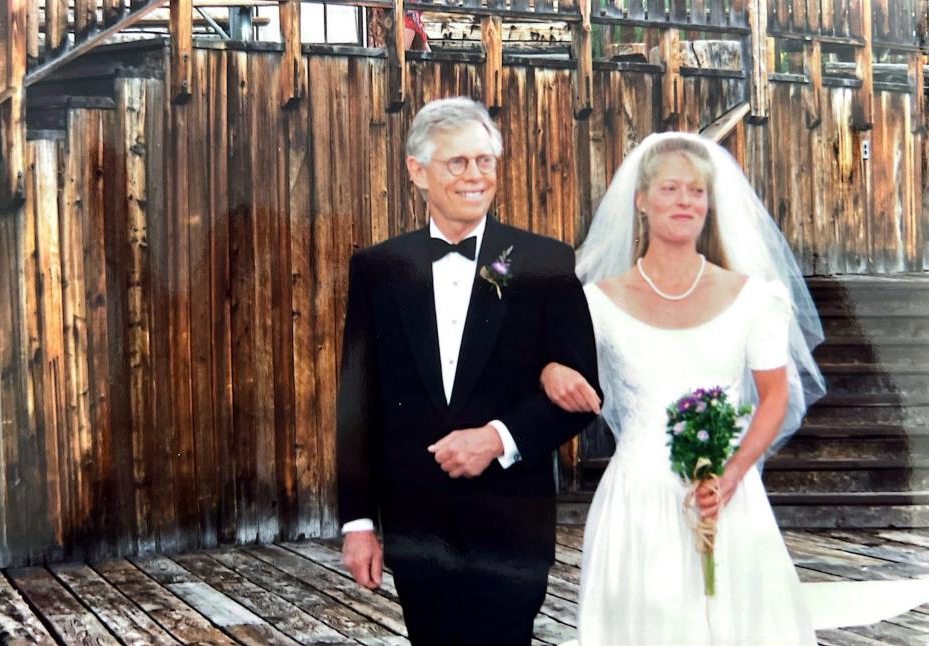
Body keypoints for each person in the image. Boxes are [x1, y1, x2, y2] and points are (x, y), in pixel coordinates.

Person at [540, 132, 827, 644]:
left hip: (725, 497)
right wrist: (549, 371)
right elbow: (544, 359)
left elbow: (775, 398)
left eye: (696, 191)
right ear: (641, 200)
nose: (685, 201)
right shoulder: (597, 303)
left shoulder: (755, 298)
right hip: (636, 501)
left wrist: (733, 476)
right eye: (670, 189)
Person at [335, 96, 601, 645]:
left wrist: (499, 438)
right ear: (417, 171)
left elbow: (583, 392)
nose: (475, 176)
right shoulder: (378, 269)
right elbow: (358, 403)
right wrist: (358, 522)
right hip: (416, 524)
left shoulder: (541, 263)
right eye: (458, 162)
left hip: (511, 524)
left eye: (485, 161)